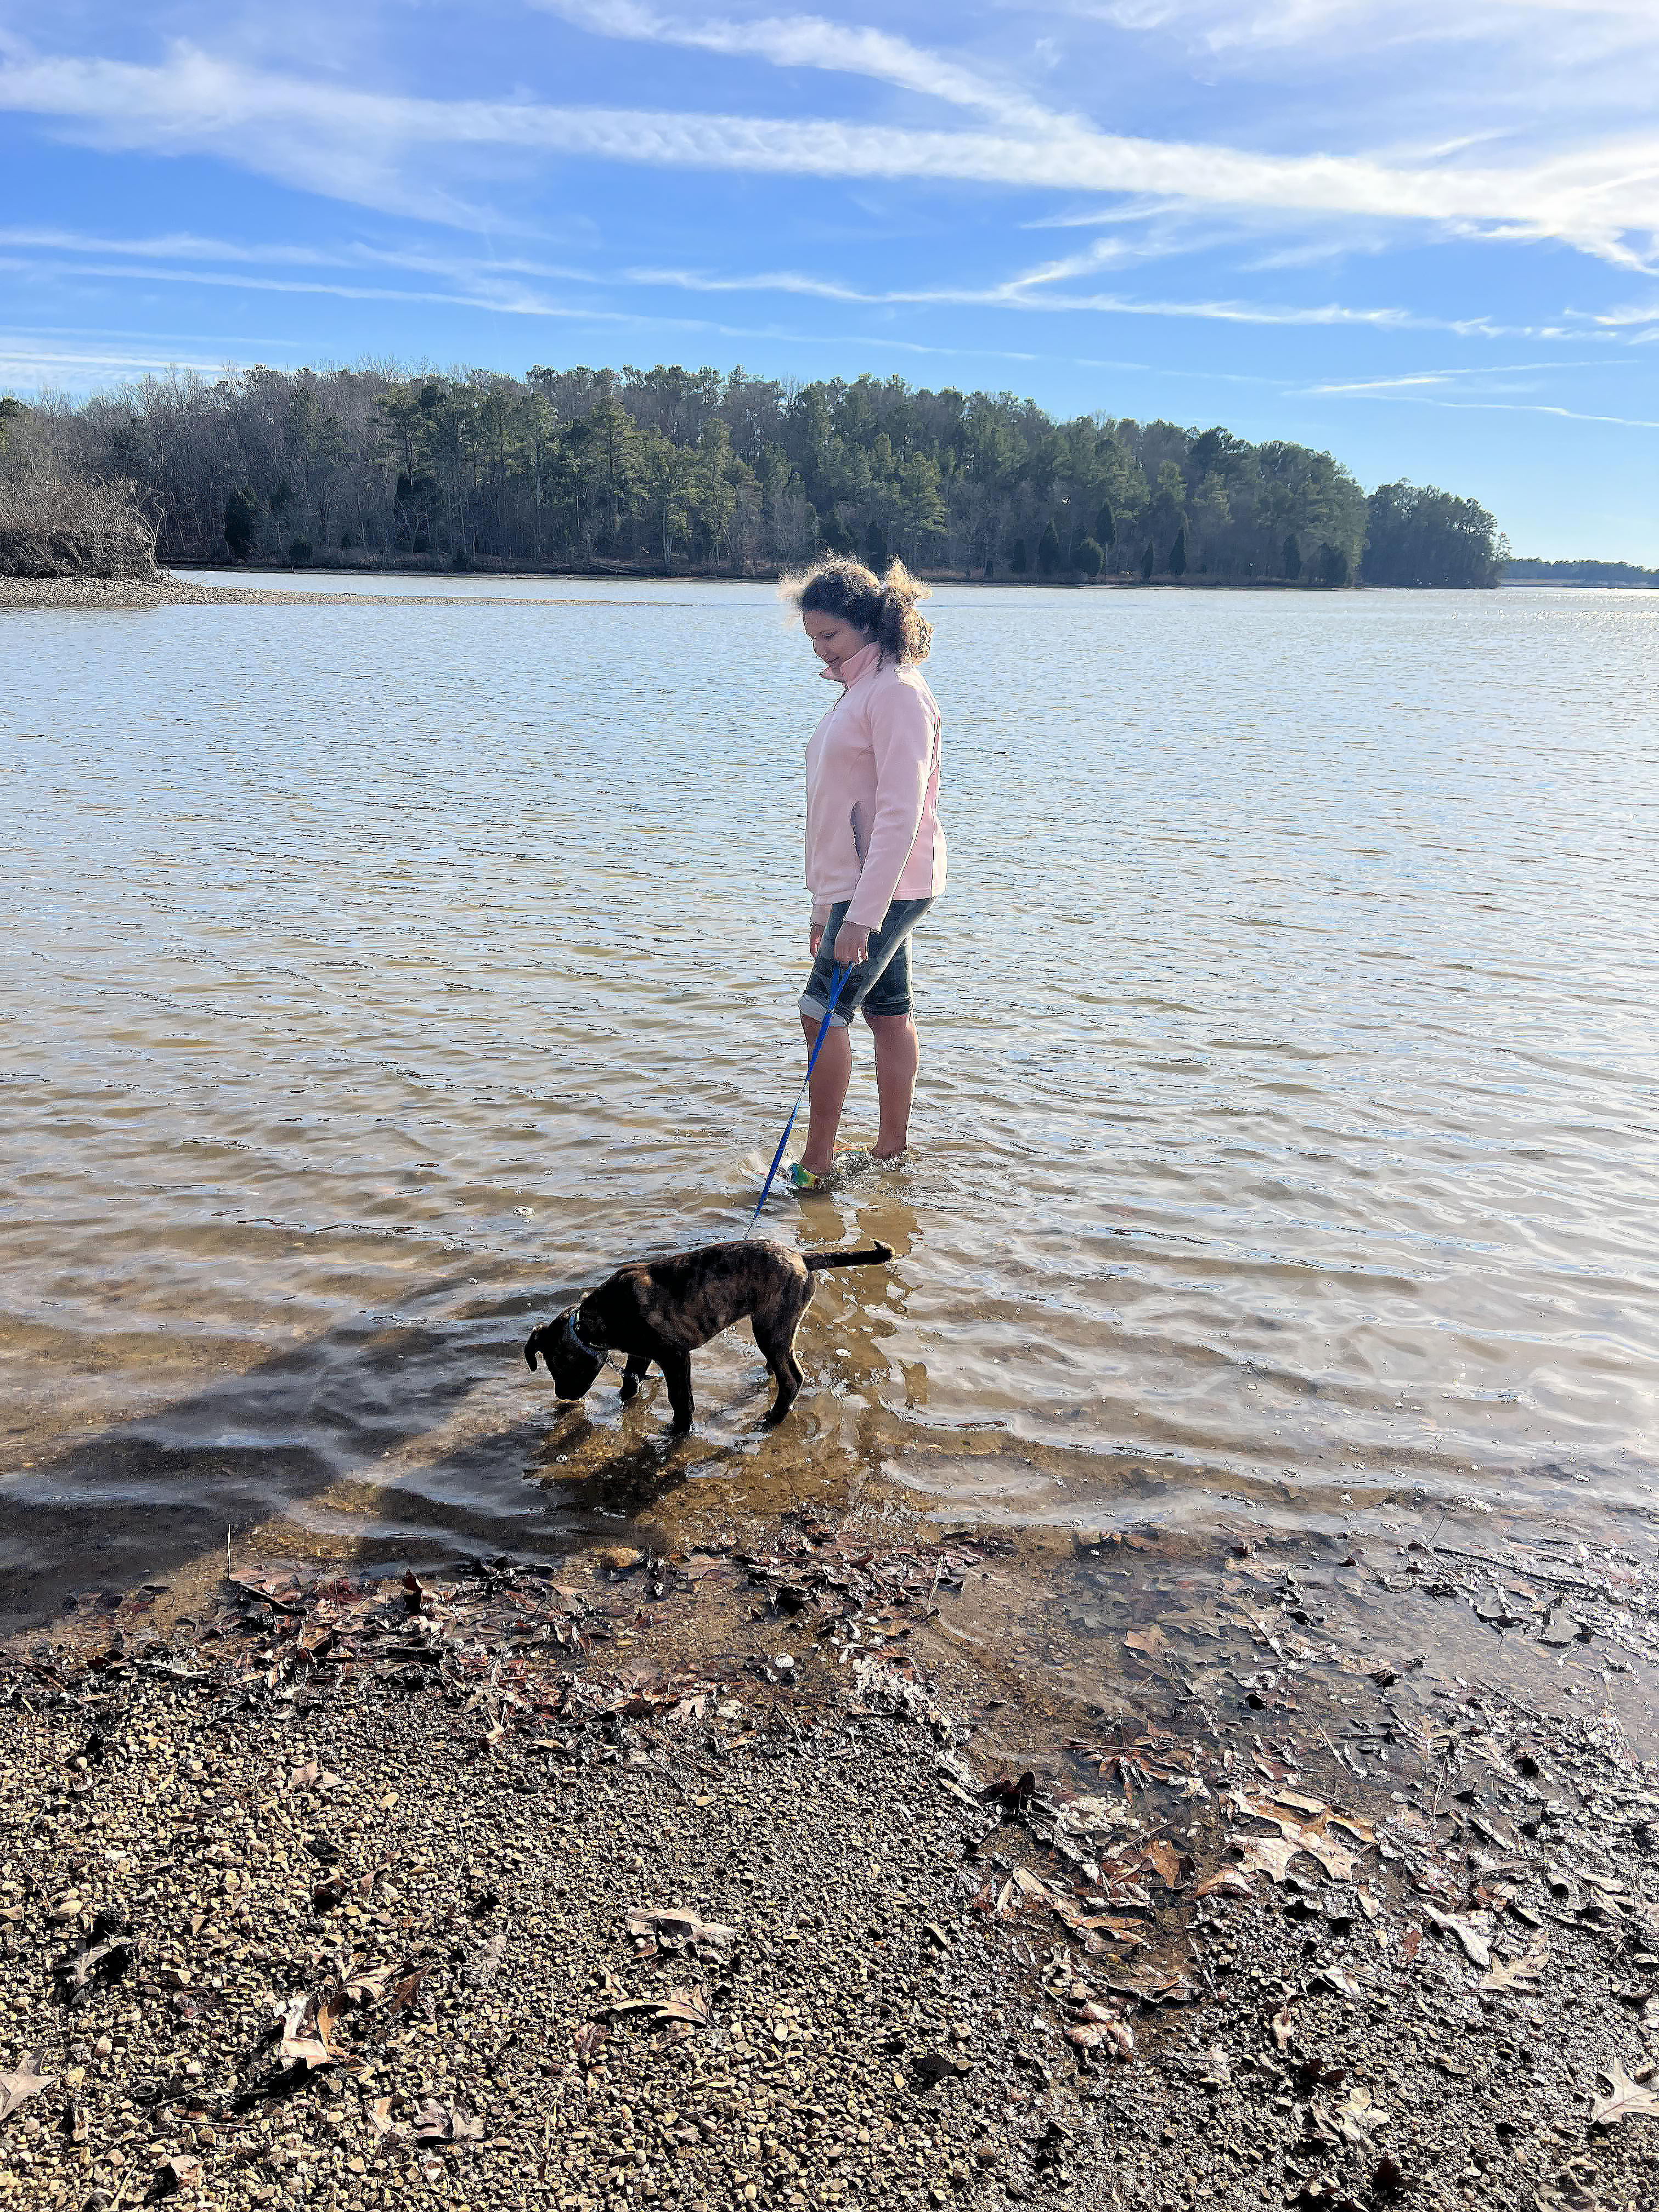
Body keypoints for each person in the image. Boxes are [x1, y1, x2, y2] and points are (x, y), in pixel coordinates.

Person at [782, 556, 947, 1190]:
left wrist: (863, 916)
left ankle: (818, 1162)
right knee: (887, 1011)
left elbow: (901, 816)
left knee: (819, 1011)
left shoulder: (898, 693)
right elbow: (834, 809)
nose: (821, 649)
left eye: (830, 637)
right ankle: (890, 1152)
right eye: (813, 639)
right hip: (857, 890)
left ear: (866, 625)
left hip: (888, 887)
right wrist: (825, 909)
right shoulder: (858, 691)